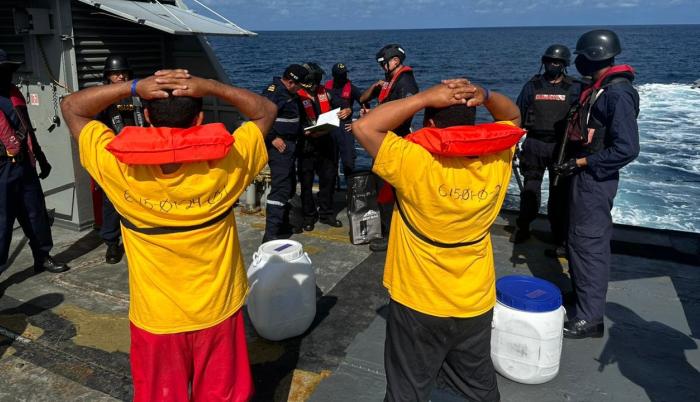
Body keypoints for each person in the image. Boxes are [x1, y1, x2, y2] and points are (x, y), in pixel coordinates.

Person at [60, 69, 277, 400]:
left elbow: (72, 107)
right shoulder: (230, 161)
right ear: (201, 117)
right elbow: (265, 110)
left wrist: (133, 87)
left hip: (156, 319)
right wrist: (210, 85)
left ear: (145, 116)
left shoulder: (118, 166)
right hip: (217, 314)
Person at [352, 78, 521, 401]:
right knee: (476, 386)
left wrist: (424, 96)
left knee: (408, 389)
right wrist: (483, 94)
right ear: (473, 121)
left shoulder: (414, 162)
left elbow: (365, 127)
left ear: (429, 123)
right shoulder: (498, 159)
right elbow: (512, 119)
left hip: (419, 300)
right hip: (474, 300)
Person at [553, 29, 640, 339]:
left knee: (589, 244)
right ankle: (582, 300)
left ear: (591, 56)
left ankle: (590, 319)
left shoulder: (617, 94)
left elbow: (627, 148)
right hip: (583, 177)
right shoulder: (598, 89)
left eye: (579, 56)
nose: (575, 62)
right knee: (577, 241)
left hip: (594, 179)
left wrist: (581, 162)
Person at [0, 49, 68, 275]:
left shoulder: (13, 95)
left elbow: (27, 130)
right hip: (2, 170)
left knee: (35, 214)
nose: (7, 74)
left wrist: (40, 157)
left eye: (9, 69)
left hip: (24, 166)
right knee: (2, 223)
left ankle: (43, 256)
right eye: (3, 69)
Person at [511, 44, 581, 258]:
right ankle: (523, 227)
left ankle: (559, 237)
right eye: (550, 61)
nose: (554, 64)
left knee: (559, 197)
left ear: (565, 65)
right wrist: (513, 144)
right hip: (534, 145)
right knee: (530, 192)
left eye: (558, 62)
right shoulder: (532, 86)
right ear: (544, 62)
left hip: (561, 148)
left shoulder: (575, 88)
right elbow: (517, 115)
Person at [359, 44, 420, 252]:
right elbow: (364, 99)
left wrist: (375, 123)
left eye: (384, 63)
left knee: (387, 187)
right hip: (385, 139)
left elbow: (405, 113)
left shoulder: (405, 82)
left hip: (394, 141)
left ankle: (390, 234)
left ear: (394, 61)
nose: (382, 67)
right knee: (383, 185)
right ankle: (390, 229)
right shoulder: (389, 81)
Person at [95, 55, 146, 264]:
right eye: (116, 73)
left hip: (139, 155)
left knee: (142, 199)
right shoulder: (100, 98)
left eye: (123, 72)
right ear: (108, 76)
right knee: (112, 202)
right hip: (114, 157)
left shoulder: (137, 96)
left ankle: (140, 237)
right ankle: (112, 243)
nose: (121, 76)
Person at [261, 64, 307, 243]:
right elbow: (260, 115)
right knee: (280, 188)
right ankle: (270, 234)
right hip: (279, 147)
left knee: (288, 185)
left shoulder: (289, 93)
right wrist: (273, 137)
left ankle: (283, 223)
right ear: (290, 81)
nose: (301, 89)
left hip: (290, 144)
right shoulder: (274, 93)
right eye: (300, 85)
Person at [297, 62, 342, 231]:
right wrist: (303, 131)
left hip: (326, 143)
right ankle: (308, 216)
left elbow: (341, 105)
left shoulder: (326, 93)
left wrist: (346, 111)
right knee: (306, 183)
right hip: (306, 145)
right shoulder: (297, 97)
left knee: (328, 179)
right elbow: (293, 118)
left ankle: (327, 213)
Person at [325, 62, 363, 177]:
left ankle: (350, 191)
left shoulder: (352, 89)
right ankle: (329, 192)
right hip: (329, 127)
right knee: (329, 162)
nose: (343, 77)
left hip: (346, 127)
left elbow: (365, 105)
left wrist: (357, 123)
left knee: (348, 161)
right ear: (334, 75)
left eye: (344, 74)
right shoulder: (325, 88)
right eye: (340, 75)